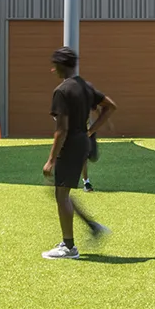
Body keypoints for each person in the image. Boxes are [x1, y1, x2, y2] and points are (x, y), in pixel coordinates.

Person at [41, 46, 115, 259]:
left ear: (61, 66)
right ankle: (92, 226)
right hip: (83, 142)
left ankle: (69, 246)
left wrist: (51, 160)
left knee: (61, 194)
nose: (53, 70)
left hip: (71, 144)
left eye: (54, 66)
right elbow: (110, 106)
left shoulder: (62, 91)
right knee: (60, 191)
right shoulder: (85, 86)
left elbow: (61, 129)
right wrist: (90, 130)